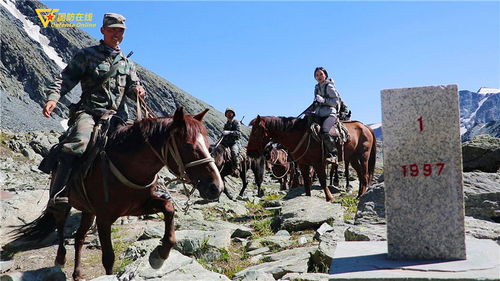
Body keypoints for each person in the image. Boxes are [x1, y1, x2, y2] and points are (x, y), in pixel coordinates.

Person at [42, 13, 145, 207]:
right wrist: (53, 98)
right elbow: (65, 79)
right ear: (103, 30)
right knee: (79, 141)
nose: (116, 33)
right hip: (90, 112)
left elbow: (133, 88)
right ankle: (60, 196)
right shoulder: (86, 55)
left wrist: (138, 91)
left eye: (120, 30)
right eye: (112, 29)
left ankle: (140, 195)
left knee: (141, 144)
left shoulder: (127, 63)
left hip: (118, 117)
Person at [310, 67, 341, 159]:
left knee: (324, 131)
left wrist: (323, 100)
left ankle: (334, 154)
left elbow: (336, 101)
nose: (319, 76)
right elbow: (316, 102)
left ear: (325, 75)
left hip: (330, 114)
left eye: (321, 74)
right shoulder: (316, 87)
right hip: (319, 113)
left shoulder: (329, 86)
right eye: (317, 75)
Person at [220, 108, 242, 176]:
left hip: (234, 142)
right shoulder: (226, 124)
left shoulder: (236, 122)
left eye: (230, 112)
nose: (229, 114)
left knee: (234, 152)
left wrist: (229, 132)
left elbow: (239, 133)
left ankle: (236, 168)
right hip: (225, 142)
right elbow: (224, 133)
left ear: (233, 114)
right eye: (227, 113)